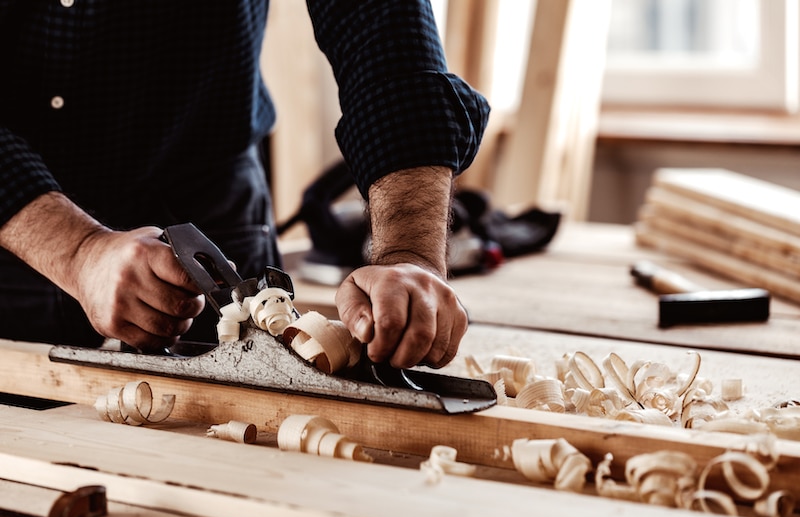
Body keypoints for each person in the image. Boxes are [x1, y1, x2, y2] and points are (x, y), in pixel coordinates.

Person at [0, 1, 489, 369]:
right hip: (14, 235)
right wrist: (80, 250)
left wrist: (411, 254)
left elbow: (385, 32)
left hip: (207, 215)